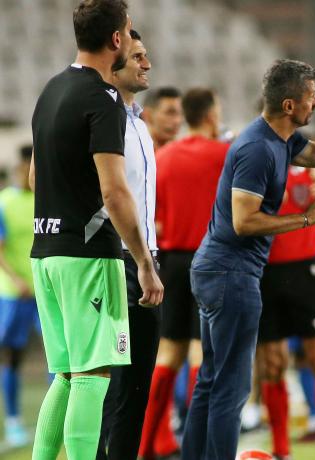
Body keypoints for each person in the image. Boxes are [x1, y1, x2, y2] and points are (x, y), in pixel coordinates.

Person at [181, 58, 315, 460]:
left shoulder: (283, 140)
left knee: (212, 381)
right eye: (311, 96)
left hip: (222, 269)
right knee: (230, 388)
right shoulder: (258, 148)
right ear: (290, 105)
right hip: (231, 272)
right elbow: (244, 221)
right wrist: (306, 218)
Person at [29, 1, 163, 459]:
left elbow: (35, 177)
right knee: (94, 374)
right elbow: (115, 192)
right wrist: (144, 263)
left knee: (67, 374)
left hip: (46, 252)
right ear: (116, 39)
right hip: (87, 256)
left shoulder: (51, 89)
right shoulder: (102, 98)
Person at [139, 88, 229, 459]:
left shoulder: (162, 158)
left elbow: (151, 217)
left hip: (170, 263)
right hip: (210, 260)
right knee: (200, 354)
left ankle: (143, 447)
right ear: (210, 115)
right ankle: (199, 448)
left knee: (167, 354)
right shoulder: (225, 155)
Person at [95, 29, 161, 460]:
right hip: (116, 261)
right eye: (137, 56)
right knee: (110, 387)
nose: (147, 64)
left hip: (143, 260)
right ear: (113, 61)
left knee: (136, 390)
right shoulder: (100, 118)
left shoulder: (137, 122)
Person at [256, 165, 315, 460]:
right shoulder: (259, 163)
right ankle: (281, 449)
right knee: (273, 364)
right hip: (267, 272)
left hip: (306, 272)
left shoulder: (312, 166)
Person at [0, 145, 38, 447]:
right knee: (12, 357)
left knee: (59, 356)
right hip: (15, 294)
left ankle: (61, 418)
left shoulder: (45, 199)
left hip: (46, 291)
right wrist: (16, 279)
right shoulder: (4, 202)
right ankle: (13, 422)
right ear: (20, 168)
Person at [142, 87, 183, 151]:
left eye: (180, 113)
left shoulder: (184, 153)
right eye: (170, 113)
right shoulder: (131, 151)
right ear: (148, 115)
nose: (177, 121)